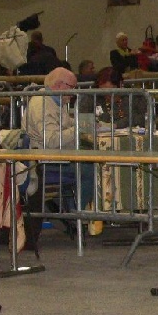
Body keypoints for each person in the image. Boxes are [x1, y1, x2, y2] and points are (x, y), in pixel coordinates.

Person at [23, 67, 94, 248]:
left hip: (52, 156)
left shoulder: (56, 101)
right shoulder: (43, 104)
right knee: (90, 170)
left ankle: (66, 210)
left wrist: (93, 124)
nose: (74, 92)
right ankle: (71, 214)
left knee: (89, 164)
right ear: (59, 85)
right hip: (42, 161)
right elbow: (52, 140)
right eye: (72, 87)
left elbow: (68, 123)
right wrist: (80, 128)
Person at [77, 66, 147, 128]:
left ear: (120, 85)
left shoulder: (136, 96)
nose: (106, 95)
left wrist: (116, 125)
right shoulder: (91, 97)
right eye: (102, 91)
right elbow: (83, 119)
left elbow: (142, 118)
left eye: (110, 91)